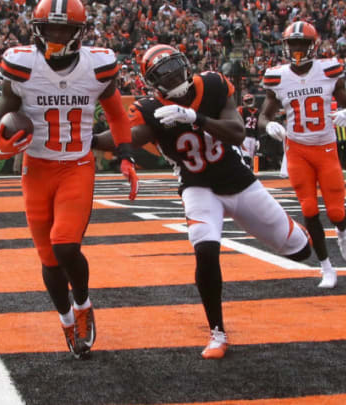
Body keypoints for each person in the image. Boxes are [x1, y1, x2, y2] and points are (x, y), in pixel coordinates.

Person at [92, 44, 311, 359]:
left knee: (300, 251)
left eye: (172, 67)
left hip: (238, 181)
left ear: (185, 63)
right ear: (152, 83)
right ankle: (217, 332)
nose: (171, 77)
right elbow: (126, 136)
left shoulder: (213, 84)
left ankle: (297, 232)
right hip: (197, 186)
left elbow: (236, 133)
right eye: (161, 74)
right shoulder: (150, 108)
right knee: (205, 248)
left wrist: (195, 117)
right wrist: (88, 140)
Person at [0, 0, 138, 360]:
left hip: (76, 165)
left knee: (65, 244)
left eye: (63, 29)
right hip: (36, 168)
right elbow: (1, 118)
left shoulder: (96, 66)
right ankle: (67, 318)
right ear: (37, 28)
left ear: (78, 32)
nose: (55, 35)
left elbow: (117, 115)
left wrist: (126, 155)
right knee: (48, 258)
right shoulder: (22, 66)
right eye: (50, 28)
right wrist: (1, 143)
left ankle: (84, 305)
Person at [258, 21, 346, 287]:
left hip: (326, 148)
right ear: (286, 46)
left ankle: (344, 231)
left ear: (313, 46)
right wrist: (270, 125)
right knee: (309, 208)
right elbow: (263, 116)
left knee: (336, 210)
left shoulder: (328, 70)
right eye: (294, 44)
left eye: (302, 44)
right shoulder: (277, 76)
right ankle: (326, 267)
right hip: (297, 150)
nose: (298, 49)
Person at [238, 93, 259, 170]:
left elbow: (257, 127)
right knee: (245, 155)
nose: (249, 102)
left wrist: (257, 139)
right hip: (245, 136)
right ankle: (246, 169)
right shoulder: (241, 110)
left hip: (253, 136)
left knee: (251, 156)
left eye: (250, 100)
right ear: (244, 102)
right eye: (247, 101)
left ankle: (249, 170)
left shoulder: (257, 112)